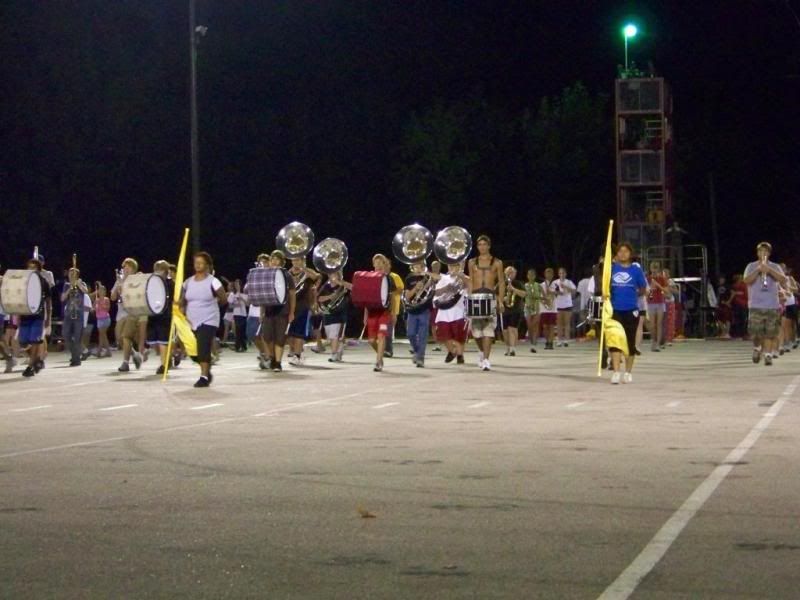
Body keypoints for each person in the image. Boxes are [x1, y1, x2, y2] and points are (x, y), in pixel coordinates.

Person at [180, 252, 228, 387]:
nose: (198, 265)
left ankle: (204, 376)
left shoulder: (213, 281)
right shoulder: (188, 282)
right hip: (191, 321)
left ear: (207, 265)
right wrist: (179, 306)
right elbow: (183, 300)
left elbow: (223, 299)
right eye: (196, 262)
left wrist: (212, 307)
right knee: (192, 350)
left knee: (203, 346)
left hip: (208, 319)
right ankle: (206, 367)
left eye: (201, 263)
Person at [607, 242, 648, 384]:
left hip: (631, 310)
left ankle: (628, 372)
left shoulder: (636, 270)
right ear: (616, 254)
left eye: (626, 251)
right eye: (620, 251)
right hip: (615, 310)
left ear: (630, 253)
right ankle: (616, 372)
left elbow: (643, 288)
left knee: (630, 342)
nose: (623, 254)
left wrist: (634, 294)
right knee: (615, 342)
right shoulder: (612, 268)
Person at [742, 242, 786, 366]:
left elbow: (783, 280)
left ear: (769, 253)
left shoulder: (775, 266)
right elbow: (746, 280)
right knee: (756, 333)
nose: (763, 253)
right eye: (760, 251)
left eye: (765, 251)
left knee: (770, 333)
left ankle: (768, 355)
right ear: (757, 253)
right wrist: (758, 270)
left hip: (772, 305)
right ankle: (757, 348)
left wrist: (769, 270)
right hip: (755, 305)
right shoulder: (751, 266)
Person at [467, 235, 505, 371]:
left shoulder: (497, 262)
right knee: (476, 332)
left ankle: (486, 360)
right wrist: (469, 299)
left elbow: (501, 282)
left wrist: (501, 300)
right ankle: (482, 352)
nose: (482, 247)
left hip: (490, 297)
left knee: (488, 329)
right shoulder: (472, 262)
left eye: (484, 244)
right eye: (480, 245)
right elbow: (470, 281)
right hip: (475, 297)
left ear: (489, 246)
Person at [260, 250, 296, 372]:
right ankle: (272, 357)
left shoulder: (287, 275)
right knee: (267, 337)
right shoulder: (266, 274)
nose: (274, 261)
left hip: (283, 311)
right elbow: (263, 295)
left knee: (280, 338)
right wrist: (262, 312)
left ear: (281, 261)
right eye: (272, 259)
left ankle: (278, 363)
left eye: (277, 259)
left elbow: (292, 295)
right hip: (269, 310)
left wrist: (292, 312)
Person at [20, 258, 52, 377]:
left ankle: (30, 366)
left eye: (33, 267)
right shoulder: (24, 282)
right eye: (29, 267)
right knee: (23, 342)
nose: (31, 269)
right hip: (25, 316)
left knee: (34, 341)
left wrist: (48, 318)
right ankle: (37, 359)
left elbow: (48, 302)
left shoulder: (44, 282)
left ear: (38, 269)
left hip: (38, 316)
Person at [110, 258, 144, 372]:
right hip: (121, 311)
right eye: (124, 267)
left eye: (128, 267)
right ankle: (135, 355)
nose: (125, 269)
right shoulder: (119, 280)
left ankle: (125, 363)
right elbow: (113, 297)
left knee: (126, 336)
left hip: (132, 311)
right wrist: (118, 286)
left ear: (133, 269)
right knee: (119, 338)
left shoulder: (136, 279)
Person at [287, 257, 321, 365]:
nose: (295, 262)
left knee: (299, 333)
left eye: (297, 260)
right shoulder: (288, 273)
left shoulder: (306, 273)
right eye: (293, 260)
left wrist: (303, 268)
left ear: (303, 261)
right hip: (289, 307)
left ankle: (297, 355)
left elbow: (316, 276)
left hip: (303, 307)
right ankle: (296, 352)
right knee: (290, 334)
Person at [434, 261, 468, 364]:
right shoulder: (443, 278)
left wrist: (461, 275)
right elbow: (436, 292)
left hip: (458, 311)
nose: (451, 267)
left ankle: (460, 355)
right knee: (444, 336)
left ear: (459, 266)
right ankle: (452, 351)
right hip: (443, 311)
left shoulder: (464, 277)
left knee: (459, 336)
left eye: (454, 265)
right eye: (450, 265)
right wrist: (446, 288)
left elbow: (468, 286)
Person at [365, 254, 395, 371]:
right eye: (376, 263)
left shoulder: (389, 278)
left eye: (380, 263)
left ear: (384, 264)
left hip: (384, 313)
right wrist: (365, 315)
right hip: (372, 313)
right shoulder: (369, 278)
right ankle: (380, 356)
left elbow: (392, 297)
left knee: (381, 336)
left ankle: (378, 362)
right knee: (371, 340)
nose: (378, 265)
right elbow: (366, 298)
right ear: (373, 264)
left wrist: (393, 313)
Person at [404, 261, 435, 367]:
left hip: (424, 309)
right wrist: (416, 288)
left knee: (423, 335)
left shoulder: (428, 277)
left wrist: (427, 275)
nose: (418, 268)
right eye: (416, 266)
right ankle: (417, 352)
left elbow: (438, 278)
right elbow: (407, 296)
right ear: (412, 267)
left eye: (421, 266)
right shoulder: (409, 278)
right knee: (410, 334)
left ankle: (420, 358)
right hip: (412, 310)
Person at [317, 270, 351, 363]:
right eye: (331, 274)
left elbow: (353, 287)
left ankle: (334, 354)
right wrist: (329, 297)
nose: (333, 276)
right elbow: (319, 298)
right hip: (328, 313)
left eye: (335, 274)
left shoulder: (342, 285)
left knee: (335, 334)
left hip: (340, 313)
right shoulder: (326, 286)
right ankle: (339, 349)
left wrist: (340, 282)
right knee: (330, 335)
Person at [147, 260, 174, 375]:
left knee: (163, 341)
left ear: (165, 271)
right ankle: (168, 358)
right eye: (156, 269)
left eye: (160, 269)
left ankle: (164, 365)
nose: (157, 272)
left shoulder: (170, 283)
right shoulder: (151, 282)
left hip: (165, 315)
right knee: (153, 342)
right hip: (153, 315)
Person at [60, 267, 89, 366]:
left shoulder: (81, 283)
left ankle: (76, 359)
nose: (71, 276)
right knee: (65, 334)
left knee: (77, 338)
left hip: (79, 315)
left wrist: (78, 284)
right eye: (70, 274)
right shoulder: (66, 285)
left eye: (73, 274)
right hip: (68, 314)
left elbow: (86, 291)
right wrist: (70, 288)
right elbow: (62, 298)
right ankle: (75, 355)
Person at [382, 257, 404, 358]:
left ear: (390, 266)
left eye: (387, 264)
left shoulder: (394, 276)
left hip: (393, 306)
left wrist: (388, 294)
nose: (385, 266)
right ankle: (384, 349)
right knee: (383, 330)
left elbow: (400, 290)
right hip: (382, 308)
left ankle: (388, 350)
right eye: (384, 264)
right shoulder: (380, 276)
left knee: (388, 330)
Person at [501, 265, 525, 356]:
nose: (510, 274)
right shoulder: (501, 284)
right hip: (504, 310)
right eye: (508, 273)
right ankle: (508, 347)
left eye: (512, 272)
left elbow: (524, 294)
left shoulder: (518, 283)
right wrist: (502, 299)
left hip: (516, 310)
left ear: (515, 274)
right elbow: (495, 294)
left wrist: (513, 289)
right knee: (505, 331)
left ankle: (512, 349)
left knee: (512, 329)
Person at [551, 267, 576, 347]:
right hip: (558, 305)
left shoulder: (569, 282)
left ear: (565, 274)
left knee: (567, 323)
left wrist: (565, 287)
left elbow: (574, 291)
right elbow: (551, 291)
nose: (561, 274)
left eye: (563, 273)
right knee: (559, 323)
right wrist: (558, 292)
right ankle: (559, 340)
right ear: (558, 274)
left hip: (567, 304)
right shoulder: (555, 282)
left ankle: (566, 340)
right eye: (560, 273)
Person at [646, 261, 668, 350]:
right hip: (651, 302)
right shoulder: (647, 279)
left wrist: (658, 285)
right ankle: (653, 340)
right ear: (650, 269)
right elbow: (645, 292)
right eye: (653, 268)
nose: (654, 270)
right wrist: (650, 288)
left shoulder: (662, 278)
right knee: (652, 324)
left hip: (660, 302)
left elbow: (666, 291)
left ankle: (658, 343)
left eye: (656, 268)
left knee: (659, 324)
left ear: (658, 269)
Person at [778, 264, 798, 355]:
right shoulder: (776, 279)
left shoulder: (790, 278)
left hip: (791, 303)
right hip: (781, 304)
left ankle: (791, 341)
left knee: (790, 325)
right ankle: (785, 343)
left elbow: (796, 289)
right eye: (780, 268)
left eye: (783, 268)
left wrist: (788, 288)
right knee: (784, 325)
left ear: (785, 270)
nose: (782, 270)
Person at [523, 268, 543, 353]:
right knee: (529, 326)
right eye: (529, 275)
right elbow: (522, 296)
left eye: (532, 275)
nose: (530, 276)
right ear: (527, 276)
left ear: (535, 276)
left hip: (536, 307)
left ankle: (534, 344)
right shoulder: (525, 285)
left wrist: (545, 299)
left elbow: (543, 295)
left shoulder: (538, 285)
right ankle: (531, 342)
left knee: (535, 326)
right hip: (528, 307)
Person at [539, 268, 557, 350]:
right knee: (545, 326)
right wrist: (544, 302)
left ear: (553, 275)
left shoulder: (555, 284)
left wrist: (551, 292)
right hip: (544, 308)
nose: (549, 275)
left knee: (552, 326)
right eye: (547, 273)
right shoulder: (541, 285)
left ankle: (551, 342)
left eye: (550, 273)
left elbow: (558, 293)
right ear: (545, 274)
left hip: (553, 308)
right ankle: (547, 341)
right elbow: (539, 297)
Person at [229, 279, 248, 353]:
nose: (237, 286)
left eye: (238, 284)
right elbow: (230, 306)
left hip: (243, 314)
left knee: (242, 330)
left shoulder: (244, 294)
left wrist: (241, 299)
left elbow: (247, 304)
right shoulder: (232, 294)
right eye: (236, 285)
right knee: (238, 329)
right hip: (236, 314)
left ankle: (243, 346)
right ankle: (237, 346)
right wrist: (236, 304)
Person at [94, 282, 112, 358]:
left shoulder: (106, 299)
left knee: (102, 334)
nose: (101, 292)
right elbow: (94, 309)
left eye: (103, 290)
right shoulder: (96, 300)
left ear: (105, 292)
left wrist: (101, 305)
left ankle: (100, 350)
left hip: (105, 319)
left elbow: (108, 308)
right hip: (99, 319)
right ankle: (107, 351)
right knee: (102, 335)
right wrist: (95, 306)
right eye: (100, 290)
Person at [729, 273, 749, 338]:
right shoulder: (741, 285)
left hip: (740, 304)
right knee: (740, 319)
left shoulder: (740, 285)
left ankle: (739, 333)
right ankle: (741, 333)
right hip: (740, 304)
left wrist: (736, 293)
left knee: (739, 319)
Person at [714, 275, 733, 339]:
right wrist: (716, 303)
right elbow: (717, 296)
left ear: (724, 279)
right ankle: (723, 332)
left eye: (722, 279)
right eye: (720, 279)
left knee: (727, 318)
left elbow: (733, 293)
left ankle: (727, 333)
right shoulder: (718, 287)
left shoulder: (727, 286)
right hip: (719, 304)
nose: (721, 280)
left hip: (726, 304)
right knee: (717, 318)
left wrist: (728, 301)